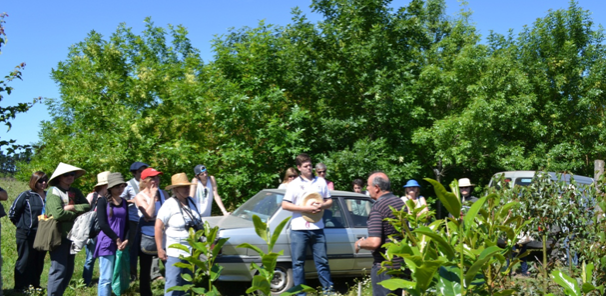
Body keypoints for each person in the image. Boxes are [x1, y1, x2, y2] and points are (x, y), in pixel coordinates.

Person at [281, 153, 334, 295]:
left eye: (310, 165)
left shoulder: (321, 182)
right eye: (305, 166)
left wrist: (321, 206)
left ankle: (328, 291)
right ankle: (300, 293)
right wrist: (305, 209)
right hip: (299, 229)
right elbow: (285, 205)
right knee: (298, 263)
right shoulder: (294, 184)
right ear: (299, 168)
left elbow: (329, 201)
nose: (309, 168)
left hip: (318, 227)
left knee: (322, 261)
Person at [354, 172, 405, 296]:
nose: (366, 188)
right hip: (402, 265)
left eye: (368, 185)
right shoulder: (399, 203)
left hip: (384, 266)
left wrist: (359, 243)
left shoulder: (378, 207)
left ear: (376, 188)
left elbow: (374, 242)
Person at [45, 162, 91, 296]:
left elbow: (87, 206)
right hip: (58, 235)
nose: (70, 177)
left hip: (73, 236)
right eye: (66, 174)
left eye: (72, 174)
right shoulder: (53, 191)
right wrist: (76, 214)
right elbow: (58, 213)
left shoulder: (75, 191)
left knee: (69, 270)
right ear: (59, 177)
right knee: (59, 269)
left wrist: (73, 208)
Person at [156, 173, 202, 296]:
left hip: (192, 252)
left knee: (187, 286)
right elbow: (158, 226)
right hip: (174, 253)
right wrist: (160, 249)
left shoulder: (191, 201)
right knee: (173, 284)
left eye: (188, 186)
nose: (187, 189)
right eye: (183, 187)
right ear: (175, 189)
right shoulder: (169, 204)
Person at [9, 171, 48, 292]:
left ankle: (35, 285)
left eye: (45, 180)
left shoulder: (49, 196)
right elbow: (13, 213)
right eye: (40, 181)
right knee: (25, 260)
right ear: (34, 181)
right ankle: (20, 286)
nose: (44, 183)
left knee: (38, 260)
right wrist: (23, 226)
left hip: (44, 233)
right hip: (26, 234)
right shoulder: (26, 196)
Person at [94, 173, 130, 296]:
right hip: (107, 241)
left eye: (122, 187)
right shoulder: (102, 201)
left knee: (117, 275)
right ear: (110, 188)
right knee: (106, 278)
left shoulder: (124, 202)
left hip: (120, 243)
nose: (120, 190)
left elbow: (127, 224)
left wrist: (126, 239)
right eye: (117, 187)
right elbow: (103, 224)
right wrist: (116, 239)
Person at [134, 167, 167, 296]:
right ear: (145, 181)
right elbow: (148, 214)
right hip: (147, 236)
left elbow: (168, 214)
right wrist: (153, 196)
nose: (156, 181)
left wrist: (156, 218)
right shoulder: (139, 196)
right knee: (145, 269)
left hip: (164, 236)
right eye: (152, 178)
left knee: (169, 265)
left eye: (157, 178)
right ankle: (145, 293)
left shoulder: (164, 194)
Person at [121, 161, 148, 281]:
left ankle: (154, 273)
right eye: (140, 171)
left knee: (149, 245)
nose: (143, 173)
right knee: (132, 248)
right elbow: (120, 201)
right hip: (133, 220)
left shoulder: (149, 183)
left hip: (147, 219)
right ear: (134, 173)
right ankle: (132, 274)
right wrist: (133, 200)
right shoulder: (128, 185)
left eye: (144, 170)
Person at [82, 171, 110, 286]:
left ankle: (103, 280)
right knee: (90, 258)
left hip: (106, 232)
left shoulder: (111, 198)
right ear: (104, 185)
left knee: (104, 258)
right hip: (93, 232)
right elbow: (84, 214)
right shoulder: (92, 196)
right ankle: (86, 282)